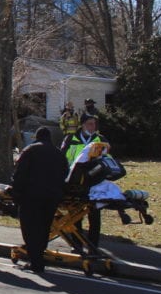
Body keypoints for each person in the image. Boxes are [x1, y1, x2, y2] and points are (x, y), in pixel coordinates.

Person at [10, 126, 68, 273]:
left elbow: (20, 174)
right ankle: (39, 257)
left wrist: (15, 193)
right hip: (51, 197)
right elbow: (65, 174)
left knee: (30, 229)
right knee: (43, 228)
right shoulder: (59, 154)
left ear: (37, 137)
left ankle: (35, 261)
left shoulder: (30, 151)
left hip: (31, 196)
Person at [61, 115, 107, 249]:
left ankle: (93, 245)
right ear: (82, 125)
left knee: (94, 215)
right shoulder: (71, 139)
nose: (92, 127)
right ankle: (76, 244)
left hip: (94, 182)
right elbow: (62, 157)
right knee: (75, 216)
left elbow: (107, 158)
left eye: (94, 124)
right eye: (89, 124)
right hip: (75, 183)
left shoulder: (100, 140)